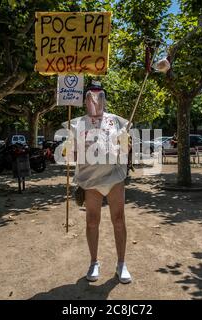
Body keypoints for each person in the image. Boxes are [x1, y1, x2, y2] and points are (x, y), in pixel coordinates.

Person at [63, 81, 132, 284]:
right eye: (91, 96)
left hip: (114, 177)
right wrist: (69, 148)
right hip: (90, 180)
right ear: (85, 100)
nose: (95, 99)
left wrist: (126, 142)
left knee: (118, 219)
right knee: (92, 220)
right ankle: (94, 262)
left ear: (104, 99)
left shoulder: (117, 121)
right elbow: (71, 155)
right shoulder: (76, 124)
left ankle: (121, 264)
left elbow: (126, 150)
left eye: (99, 95)